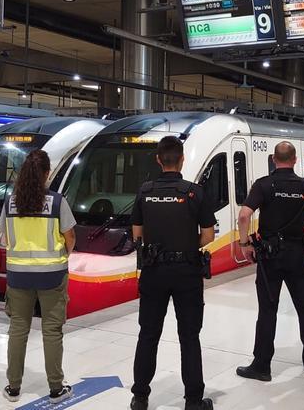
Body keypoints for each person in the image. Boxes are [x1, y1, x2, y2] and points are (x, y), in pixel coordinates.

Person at [236, 141, 304, 382]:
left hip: (269, 258)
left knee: (267, 311)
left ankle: (262, 366)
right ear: (294, 160)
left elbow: (243, 215)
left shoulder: (264, 185)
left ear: (274, 159)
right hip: (297, 255)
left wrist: (244, 244)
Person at [129, 136, 216, 410]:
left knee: (148, 334)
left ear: (158, 159)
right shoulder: (194, 192)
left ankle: (140, 397)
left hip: (153, 271)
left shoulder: (145, 191)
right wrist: (187, 245)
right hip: (186, 272)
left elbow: (137, 234)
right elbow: (208, 235)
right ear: (182, 159)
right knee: (189, 337)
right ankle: (193, 401)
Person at [0, 149, 76, 405]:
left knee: (18, 329)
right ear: (46, 173)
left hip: (18, 275)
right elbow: (70, 237)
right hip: (52, 275)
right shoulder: (56, 202)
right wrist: (62, 255)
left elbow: (5, 239)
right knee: (51, 330)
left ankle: (13, 387)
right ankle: (56, 388)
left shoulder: (10, 202)